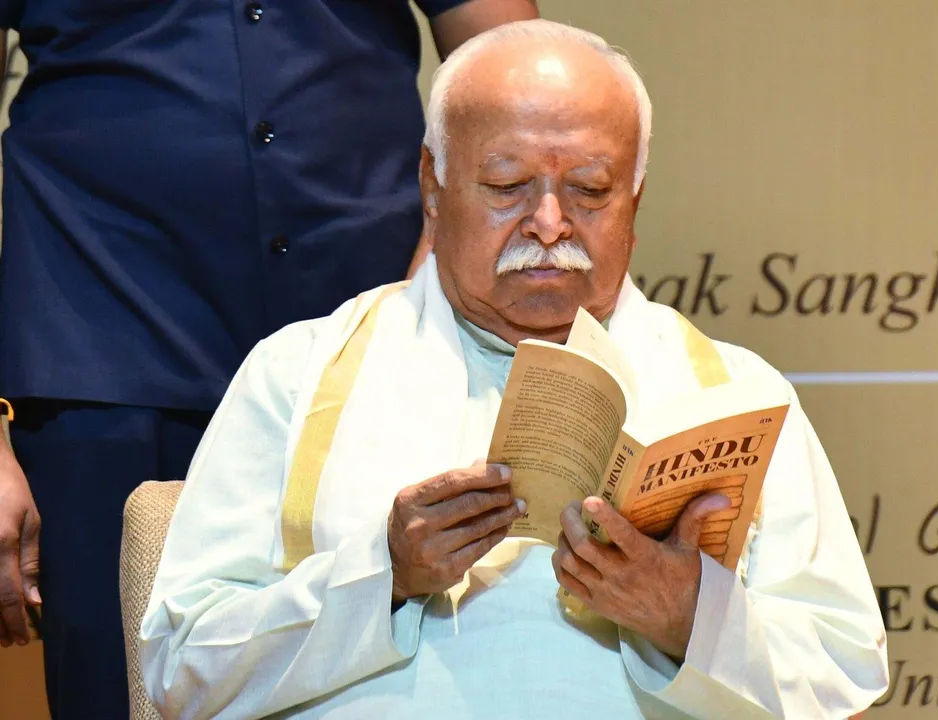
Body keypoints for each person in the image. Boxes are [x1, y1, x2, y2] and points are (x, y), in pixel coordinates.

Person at [140, 19, 890, 719]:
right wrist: (384, 575)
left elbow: (843, 674)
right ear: (432, 187)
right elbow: (181, 668)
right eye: (507, 186)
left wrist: (690, 617)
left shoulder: (735, 392)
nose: (550, 224)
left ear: (635, 198)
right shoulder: (300, 372)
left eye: (590, 190)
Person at [0, 1, 538, 717]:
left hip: (375, 347)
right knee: (115, 691)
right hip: (101, 339)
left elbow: (514, 66)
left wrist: (433, 290)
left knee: (397, 672)